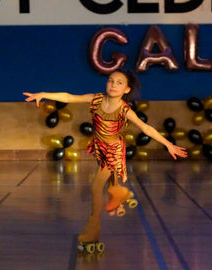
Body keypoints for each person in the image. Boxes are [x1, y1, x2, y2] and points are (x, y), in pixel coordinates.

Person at [23, 69, 187, 252]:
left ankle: (92, 229)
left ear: (126, 89)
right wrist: (43, 94)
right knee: (109, 183)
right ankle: (118, 192)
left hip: (113, 151)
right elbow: (69, 97)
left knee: (95, 188)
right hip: (99, 148)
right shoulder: (96, 99)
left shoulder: (125, 110)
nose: (113, 85)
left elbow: (146, 129)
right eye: (111, 81)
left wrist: (168, 144)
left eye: (119, 83)